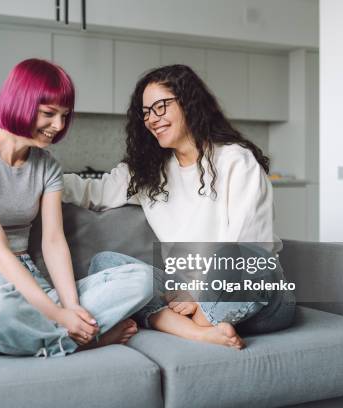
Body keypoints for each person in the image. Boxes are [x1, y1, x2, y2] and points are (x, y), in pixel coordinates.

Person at [64, 64, 296, 349]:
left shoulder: (235, 160)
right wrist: (41, 178)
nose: (152, 119)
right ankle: (203, 332)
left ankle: (191, 321)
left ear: (189, 102)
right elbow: (93, 192)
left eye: (161, 106)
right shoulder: (148, 171)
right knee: (107, 264)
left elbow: (249, 243)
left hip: (252, 296)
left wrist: (198, 294)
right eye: (146, 112)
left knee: (243, 259)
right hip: (182, 294)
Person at [0, 59, 153, 357]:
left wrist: (70, 308)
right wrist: (58, 317)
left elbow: (54, 241)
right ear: (20, 102)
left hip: (32, 283)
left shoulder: (48, 166)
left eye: (64, 116)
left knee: (141, 279)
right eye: (48, 113)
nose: (58, 126)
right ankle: (84, 340)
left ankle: (21, 339)